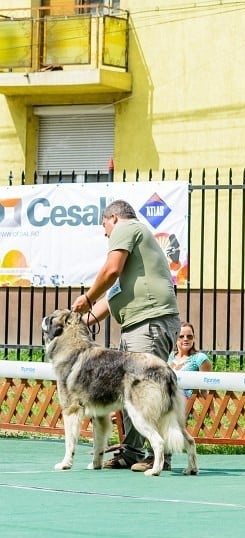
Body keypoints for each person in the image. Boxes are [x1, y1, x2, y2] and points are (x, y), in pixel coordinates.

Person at [70, 199, 182, 472]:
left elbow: (110, 271)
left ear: (113, 218)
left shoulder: (126, 228)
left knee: (146, 391)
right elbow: (111, 299)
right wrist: (81, 319)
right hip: (137, 324)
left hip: (149, 322)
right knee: (127, 391)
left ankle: (160, 456)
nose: (106, 235)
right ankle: (133, 452)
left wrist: (87, 297)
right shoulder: (137, 252)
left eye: (105, 228)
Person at [168, 321, 212, 398]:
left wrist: (211, 410)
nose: (186, 339)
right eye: (181, 336)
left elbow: (205, 390)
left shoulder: (200, 358)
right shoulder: (168, 356)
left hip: (186, 405)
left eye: (189, 336)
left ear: (193, 338)